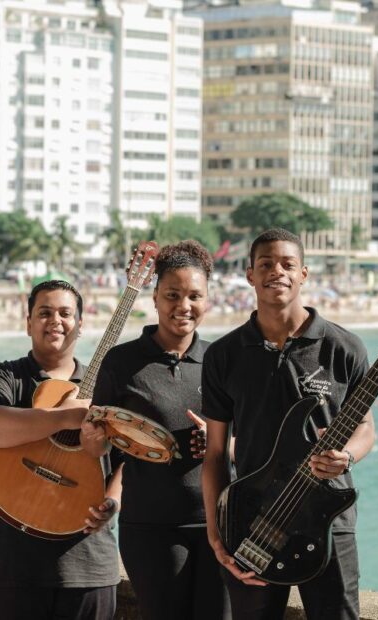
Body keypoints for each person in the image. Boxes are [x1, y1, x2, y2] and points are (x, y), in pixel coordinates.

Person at [202, 228, 375, 619]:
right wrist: (216, 534)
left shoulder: (343, 347)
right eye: (265, 264)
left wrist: (346, 457)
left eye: (287, 264)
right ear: (249, 275)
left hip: (330, 518)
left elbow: (365, 428)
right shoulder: (224, 355)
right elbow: (215, 454)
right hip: (251, 521)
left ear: (304, 274)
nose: (276, 272)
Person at [82, 240, 229, 620]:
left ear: (209, 299)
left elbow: (250, 438)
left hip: (223, 523)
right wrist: (95, 445)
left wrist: (223, 443)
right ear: (156, 297)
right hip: (151, 528)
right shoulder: (121, 362)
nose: (184, 306)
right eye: (173, 295)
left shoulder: (222, 360)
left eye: (195, 295)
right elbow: (105, 449)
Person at [0, 280, 121, 620]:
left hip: (88, 561)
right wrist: (66, 417)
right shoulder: (5, 376)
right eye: (44, 313)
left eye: (66, 313)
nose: (55, 321)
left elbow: (127, 462)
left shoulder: (111, 386)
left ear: (80, 324)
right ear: (28, 323)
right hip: (10, 564)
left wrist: (114, 501)